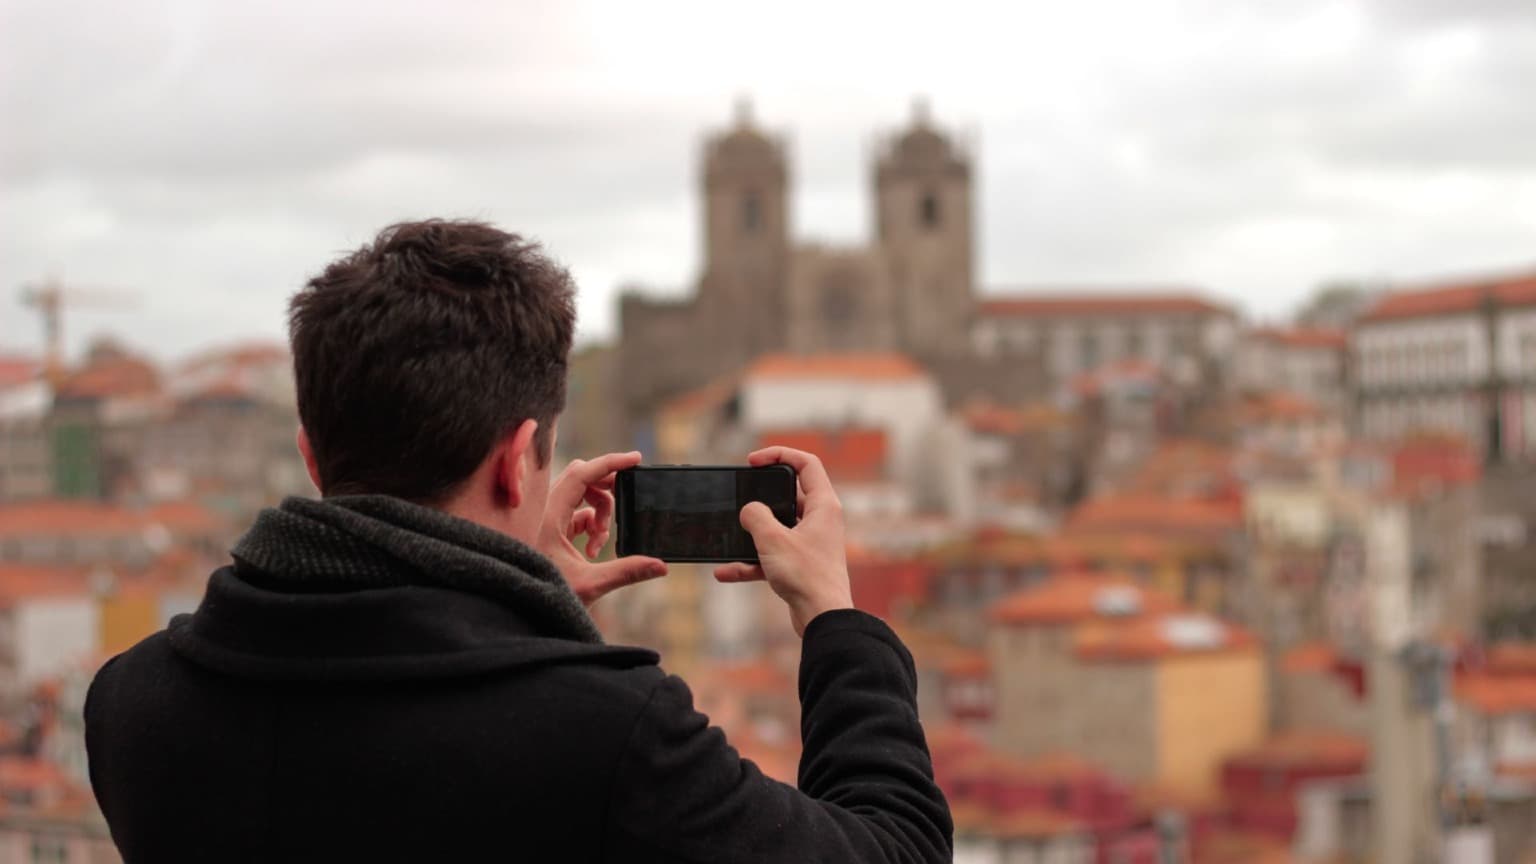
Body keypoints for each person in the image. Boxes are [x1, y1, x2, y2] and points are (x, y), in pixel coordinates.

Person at [84, 220, 952, 863]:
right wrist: (835, 620)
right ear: (514, 464)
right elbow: (897, 850)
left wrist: (501, 622)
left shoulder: (134, 706)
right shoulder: (611, 735)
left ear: (311, 456)